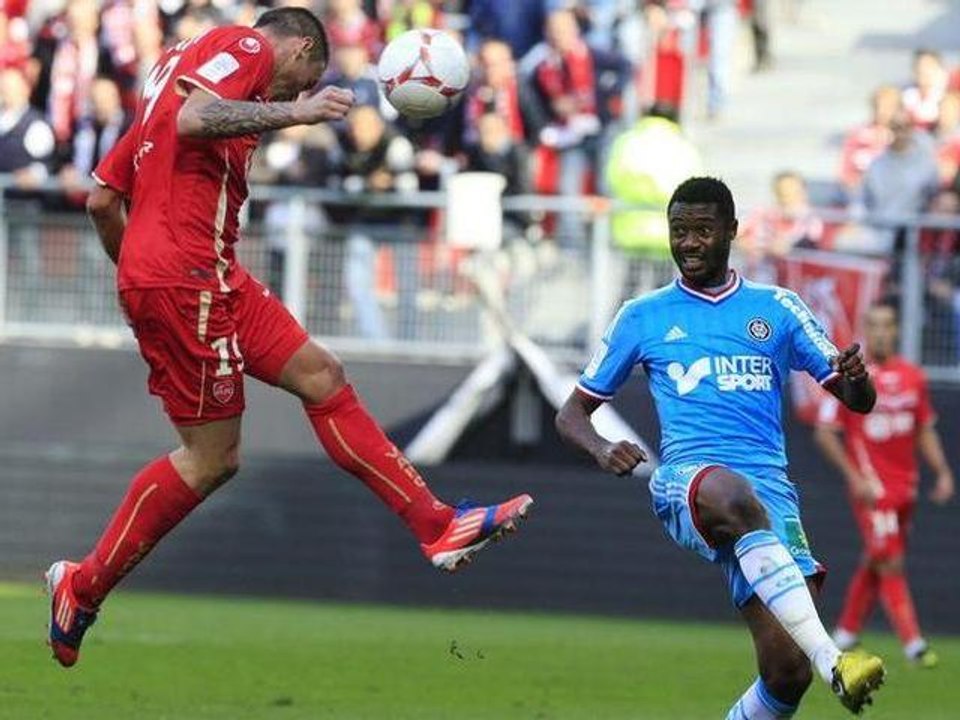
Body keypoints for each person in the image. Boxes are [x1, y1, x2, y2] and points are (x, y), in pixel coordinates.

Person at [46, 7, 533, 670]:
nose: (296, 92)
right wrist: (299, 116)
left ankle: (438, 525)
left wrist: (140, 269)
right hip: (186, 278)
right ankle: (83, 586)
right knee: (211, 457)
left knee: (322, 376)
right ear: (300, 47)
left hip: (207, 272)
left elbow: (104, 196)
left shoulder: (169, 75)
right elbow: (197, 121)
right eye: (306, 78)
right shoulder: (242, 45)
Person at [555, 176, 886, 717]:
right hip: (689, 482)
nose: (687, 243)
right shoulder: (643, 315)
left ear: (732, 231)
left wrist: (857, 378)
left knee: (785, 671)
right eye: (678, 231)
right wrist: (599, 448)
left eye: (702, 231)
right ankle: (835, 661)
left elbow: (857, 400)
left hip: (770, 493)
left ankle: (813, 664)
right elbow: (571, 413)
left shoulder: (778, 309)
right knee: (730, 493)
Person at [815, 302, 955, 667]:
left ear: (896, 330)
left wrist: (941, 471)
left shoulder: (913, 376)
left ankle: (845, 632)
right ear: (865, 328)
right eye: (873, 325)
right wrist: (854, 477)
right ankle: (914, 645)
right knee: (890, 561)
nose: (880, 332)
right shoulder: (851, 377)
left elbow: (923, 429)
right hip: (872, 490)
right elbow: (826, 432)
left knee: (877, 559)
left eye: (887, 325)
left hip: (905, 486)